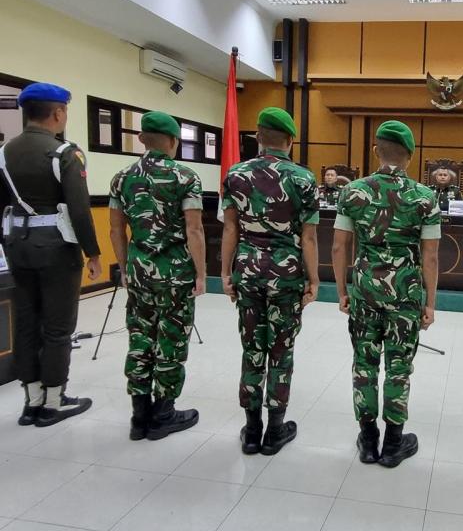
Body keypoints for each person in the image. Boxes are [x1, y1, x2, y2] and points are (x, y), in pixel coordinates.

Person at [332, 120, 440, 468]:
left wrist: (342, 292)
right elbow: (431, 256)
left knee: (364, 365)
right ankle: (394, 444)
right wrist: (430, 303)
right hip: (406, 293)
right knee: (398, 367)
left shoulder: (352, 193)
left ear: (376, 150)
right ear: (410, 155)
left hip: (364, 289)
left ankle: (367, 441)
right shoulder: (425, 197)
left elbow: (338, 247)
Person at [0, 82, 101, 427]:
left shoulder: (4, 152)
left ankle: (32, 400)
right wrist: (94, 253)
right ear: (58, 113)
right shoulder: (64, 153)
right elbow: (79, 209)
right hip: (57, 249)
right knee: (58, 328)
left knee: (26, 323)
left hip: (17, 246)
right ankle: (54, 402)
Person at [221, 106, 319, 456]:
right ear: (290, 140)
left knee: (252, 349)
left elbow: (230, 228)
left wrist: (225, 272)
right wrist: (314, 279)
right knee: (281, 350)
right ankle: (275, 430)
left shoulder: (235, 174)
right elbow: (308, 237)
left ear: (258, 137)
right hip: (287, 274)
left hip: (247, 269)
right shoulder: (304, 179)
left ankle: (251, 431)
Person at [108, 111, 206, 441]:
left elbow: (115, 229)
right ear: (174, 141)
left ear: (141, 139)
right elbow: (194, 229)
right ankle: (163, 413)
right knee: (172, 338)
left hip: (138, 271)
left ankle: (139, 415)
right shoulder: (185, 177)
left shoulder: (122, 177)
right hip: (176, 273)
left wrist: (125, 267)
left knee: (140, 338)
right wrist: (201, 274)